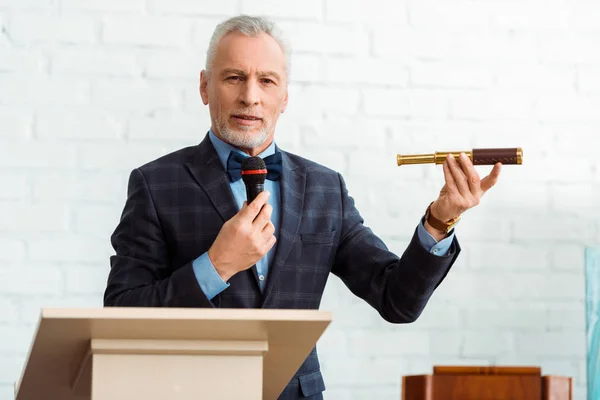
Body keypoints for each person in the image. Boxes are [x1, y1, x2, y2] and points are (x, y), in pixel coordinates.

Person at [104, 15, 502, 399]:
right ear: (205, 87)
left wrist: (438, 220)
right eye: (234, 77)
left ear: (285, 96)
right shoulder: (155, 184)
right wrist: (217, 264)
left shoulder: (325, 189)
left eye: (267, 80)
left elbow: (396, 300)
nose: (250, 96)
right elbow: (122, 319)